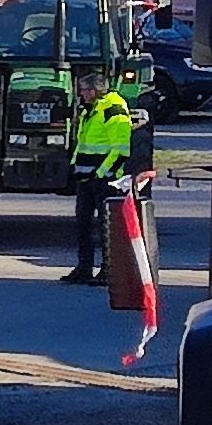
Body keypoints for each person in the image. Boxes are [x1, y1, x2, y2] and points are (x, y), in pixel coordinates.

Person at [66, 64, 147, 283]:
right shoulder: (92, 109)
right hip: (87, 178)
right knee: (83, 225)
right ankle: (84, 268)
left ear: (94, 90)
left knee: (106, 227)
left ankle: (107, 271)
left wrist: (101, 174)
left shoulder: (113, 109)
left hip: (104, 180)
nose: (82, 94)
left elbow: (121, 149)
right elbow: (84, 143)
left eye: (84, 90)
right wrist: (75, 168)